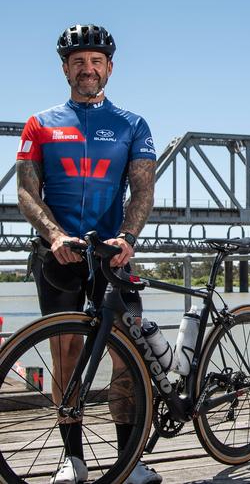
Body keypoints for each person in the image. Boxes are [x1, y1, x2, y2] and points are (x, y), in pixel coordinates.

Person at [16, 24, 161, 484]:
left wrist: (128, 238)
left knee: (126, 358)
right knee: (65, 354)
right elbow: (25, 191)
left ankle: (129, 459)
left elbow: (142, 190)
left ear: (109, 68)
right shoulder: (40, 123)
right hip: (57, 254)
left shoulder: (132, 125)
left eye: (96, 61)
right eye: (78, 61)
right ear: (65, 68)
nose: (88, 68)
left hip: (110, 254)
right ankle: (72, 459)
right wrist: (55, 235)